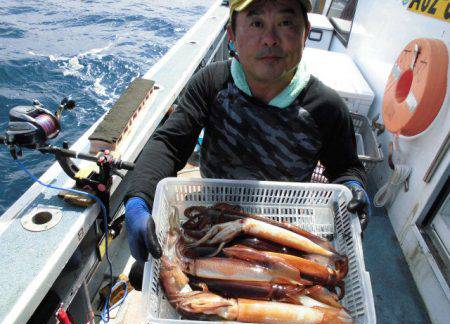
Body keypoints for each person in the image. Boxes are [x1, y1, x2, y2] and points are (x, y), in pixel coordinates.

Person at [125, 0, 369, 265]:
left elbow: (345, 168)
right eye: (256, 23)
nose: (270, 39)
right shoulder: (211, 83)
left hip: (282, 229)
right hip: (211, 216)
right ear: (232, 35)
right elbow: (170, 143)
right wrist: (140, 198)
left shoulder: (327, 107)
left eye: (286, 23)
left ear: (305, 33)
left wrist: (353, 188)